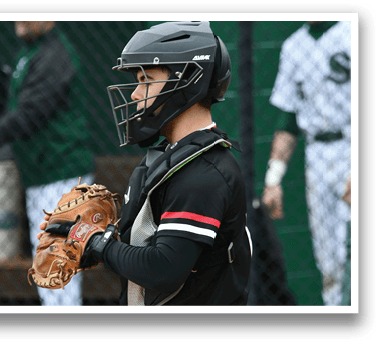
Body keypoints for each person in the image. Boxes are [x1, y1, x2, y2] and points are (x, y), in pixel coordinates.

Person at [40, 21, 252, 305]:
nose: (135, 94)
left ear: (188, 79)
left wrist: (96, 244)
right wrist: (98, 242)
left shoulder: (205, 172)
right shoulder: (164, 158)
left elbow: (163, 268)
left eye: (146, 80)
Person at [0, 21, 95, 306]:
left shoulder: (56, 55)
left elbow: (28, 117)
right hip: (40, 176)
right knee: (50, 277)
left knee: (57, 277)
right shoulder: (29, 53)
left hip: (63, 178)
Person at [261, 21, 351, 305]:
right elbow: (288, 118)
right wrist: (273, 180)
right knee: (329, 261)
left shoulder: (354, 31)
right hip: (317, 155)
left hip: (352, 143)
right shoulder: (293, 47)